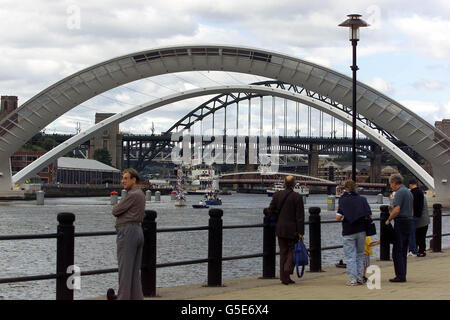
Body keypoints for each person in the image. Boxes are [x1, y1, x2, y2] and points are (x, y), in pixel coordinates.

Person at [107, 168, 145, 300]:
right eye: (122, 178)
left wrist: (118, 207)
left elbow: (115, 210)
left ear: (133, 180)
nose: (123, 181)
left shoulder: (132, 195)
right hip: (138, 231)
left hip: (128, 233)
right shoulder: (141, 194)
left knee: (125, 271)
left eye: (126, 178)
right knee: (134, 272)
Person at [268, 175, 305, 285]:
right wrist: (301, 232)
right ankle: (287, 269)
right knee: (292, 250)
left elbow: (270, 210)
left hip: (280, 228)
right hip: (293, 229)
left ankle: (284, 278)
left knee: (283, 252)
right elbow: (300, 217)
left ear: (284, 183)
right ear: (294, 184)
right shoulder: (297, 197)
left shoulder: (277, 195)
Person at [336, 180, 372, 286]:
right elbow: (369, 215)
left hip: (348, 230)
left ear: (345, 188)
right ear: (356, 188)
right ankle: (360, 277)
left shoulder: (343, 200)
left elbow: (338, 217)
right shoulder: (362, 199)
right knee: (360, 254)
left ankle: (352, 279)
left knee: (350, 256)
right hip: (361, 230)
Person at [385, 173, 413, 283]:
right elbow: (410, 209)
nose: (390, 186)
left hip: (400, 222)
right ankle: (403, 273)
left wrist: (389, 219)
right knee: (403, 249)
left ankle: (400, 275)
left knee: (397, 250)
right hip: (408, 221)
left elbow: (397, 210)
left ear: (394, 182)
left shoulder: (399, 192)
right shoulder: (408, 192)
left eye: (390, 184)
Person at [408, 178, 424, 256]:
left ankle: (413, 250)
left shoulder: (412, 193)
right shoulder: (420, 192)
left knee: (411, 233)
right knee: (414, 233)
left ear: (411, 184)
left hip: (412, 215)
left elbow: (411, 205)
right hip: (418, 215)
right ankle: (413, 249)